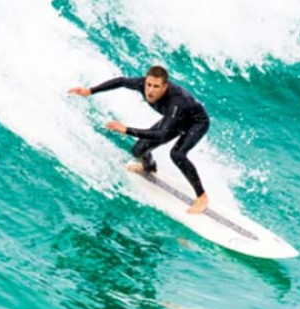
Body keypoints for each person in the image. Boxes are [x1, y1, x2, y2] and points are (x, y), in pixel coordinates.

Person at [69, 65, 210, 214]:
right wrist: (90, 91)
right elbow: (121, 81)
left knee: (177, 154)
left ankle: (202, 197)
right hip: (175, 120)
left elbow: (161, 135)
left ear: (164, 87)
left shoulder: (176, 101)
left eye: (156, 86)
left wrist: (127, 130)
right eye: (149, 84)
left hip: (196, 122)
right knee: (138, 150)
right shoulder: (141, 84)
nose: (150, 90)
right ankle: (149, 166)